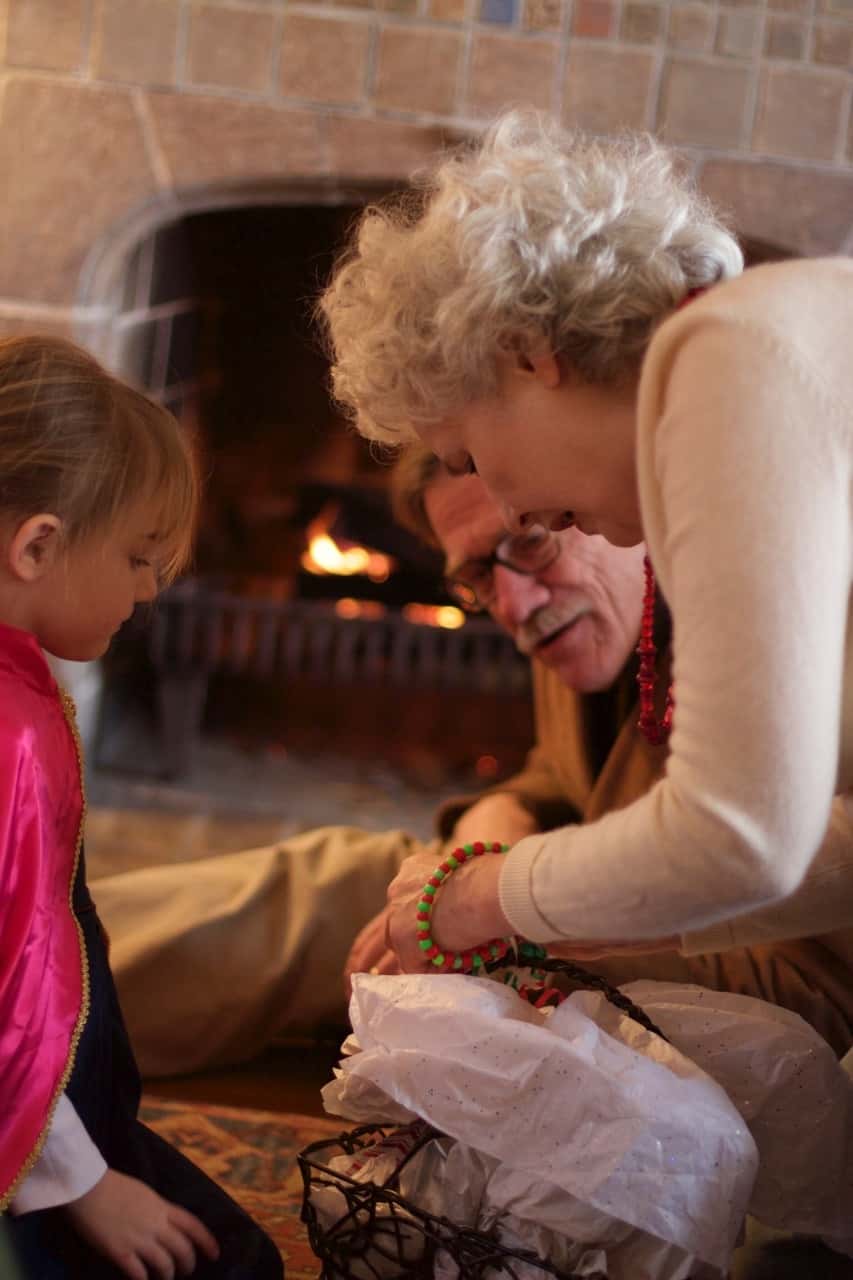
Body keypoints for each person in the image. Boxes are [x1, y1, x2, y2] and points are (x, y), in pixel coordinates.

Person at [318, 110, 853, 980]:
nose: (506, 504)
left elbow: (743, 835)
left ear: (525, 352)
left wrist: (474, 901)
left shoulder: (727, 351)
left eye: (467, 456)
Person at [0, 337, 282, 1280]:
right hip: (28, 1146)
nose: (149, 590)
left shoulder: (21, 691)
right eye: (136, 557)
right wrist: (78, 1181)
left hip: (56, 1112)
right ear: (37, 545)